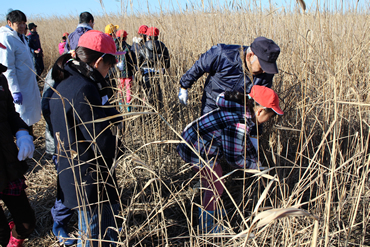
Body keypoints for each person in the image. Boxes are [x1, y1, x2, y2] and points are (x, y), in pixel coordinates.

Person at [50, 30, 125, 247]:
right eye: (109, 66)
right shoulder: (85, 89)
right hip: (89, 178)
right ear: (100, 61)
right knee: (93, 235)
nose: (109, 71)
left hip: (74, 172)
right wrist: (117, 146)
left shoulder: (65, 82)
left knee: (102, 230)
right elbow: (100, 138)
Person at [177, 85, 283, 233]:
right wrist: (255, 166)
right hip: (196, 151)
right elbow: (234, 159)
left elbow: (242, 144)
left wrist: (254, 159)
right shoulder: (239, 123)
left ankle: (209, 208)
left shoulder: (240, 108)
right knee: (216, 186)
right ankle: (206, 226)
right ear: (260, 111)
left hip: (190, 142)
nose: (266, 121)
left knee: (212, 181)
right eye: (268, 117)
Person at [178, 36, 280, 115]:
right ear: (250, 56)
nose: (264, 71)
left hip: (239, 111)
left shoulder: (266, 73)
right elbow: (199, 66)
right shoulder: (223, 54)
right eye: (262, 66)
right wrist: (184, 86)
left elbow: (260, 105)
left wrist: (254, 134)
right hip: (212, 104)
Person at [0, 42, 36, 247]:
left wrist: (22, 132)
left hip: (7, 160)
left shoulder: (1, 78)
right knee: (1, 234)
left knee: (27, 222)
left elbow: (10, 114)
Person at [0, 10, 41, 129]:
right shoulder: (6, 38)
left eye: (24, 23)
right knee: (20, 119)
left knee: (29, 118)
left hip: (27, 83)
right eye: (19, 23)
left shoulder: (20, 36)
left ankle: (30, 141)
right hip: (19, 86)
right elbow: (8, 67)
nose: (23, 26)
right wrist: (14, 90)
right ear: (10, 23)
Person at [135, 27, 170, 109]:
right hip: (158, 75)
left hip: (146, 75)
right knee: (158, 96)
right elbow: (167, 64)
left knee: (146, 94)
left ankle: (146, 113)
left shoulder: (143, 47)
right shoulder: (163, 47)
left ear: (148, 37)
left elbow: (138, 63)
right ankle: (158, 111)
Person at [115, 29, 135, 112]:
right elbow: (132, 62)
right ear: (125, 37)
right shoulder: (129, 48)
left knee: (120, 91)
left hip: (118, 74)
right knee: (128, 92)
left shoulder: (113, 48)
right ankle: (128, 108)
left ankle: (121, 107)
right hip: (128, 74)